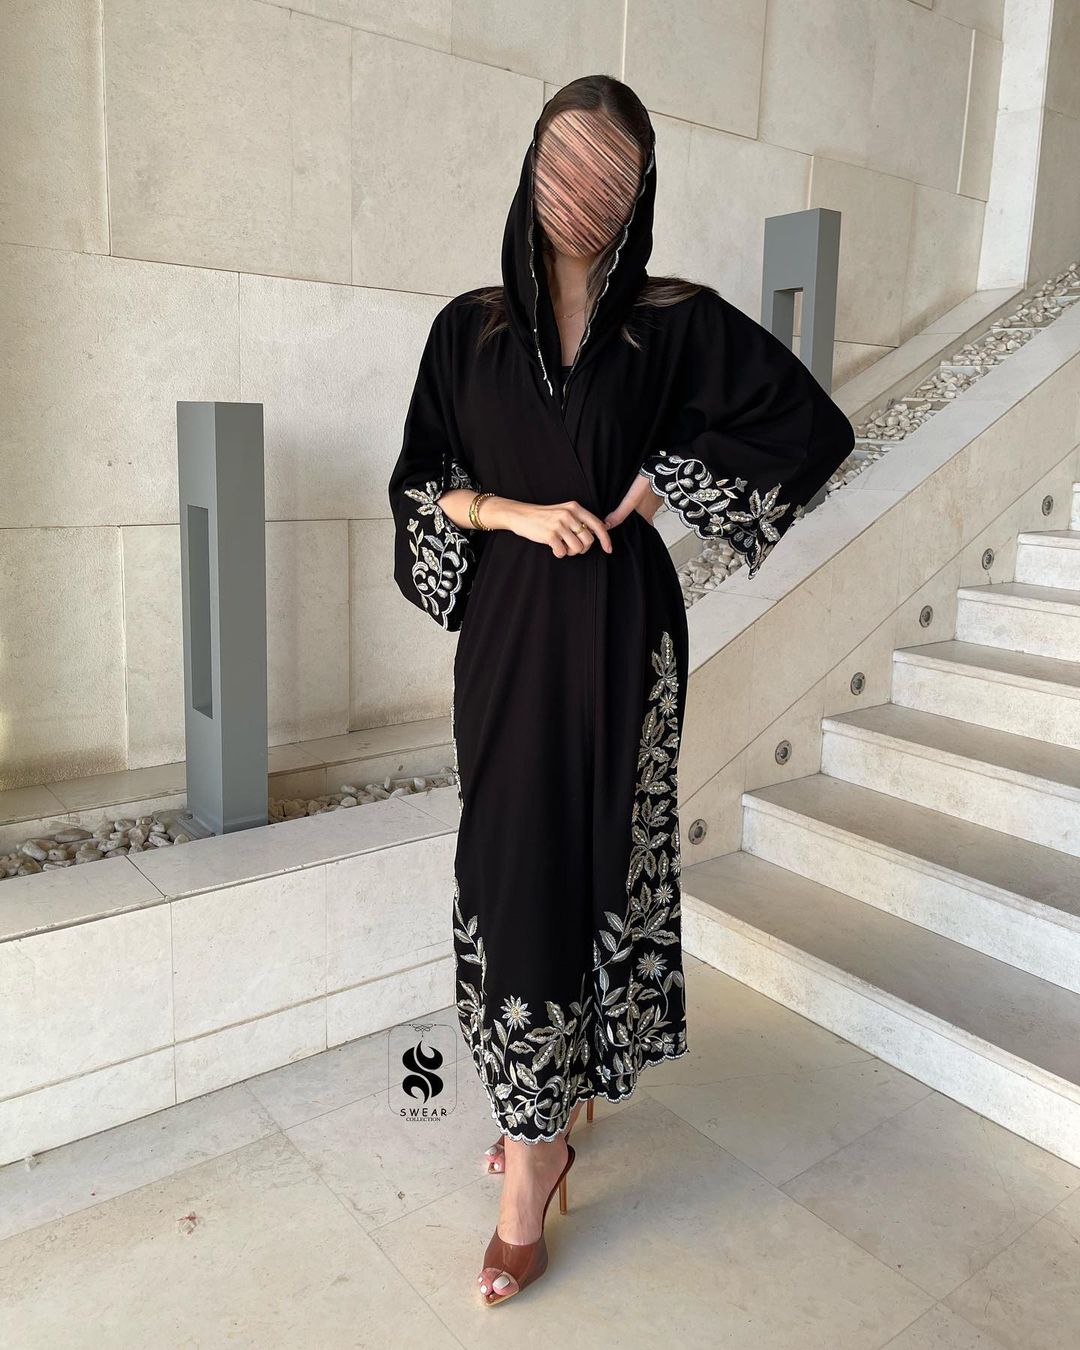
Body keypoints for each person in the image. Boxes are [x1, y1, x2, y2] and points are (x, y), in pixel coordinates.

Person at [387, 75, 855, 1307]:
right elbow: (421, 481)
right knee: (508, 870)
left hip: (621, 636)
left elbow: (809, 429)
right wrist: (509, 511)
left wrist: (656, 484)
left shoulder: (671, 322)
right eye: (566, 158)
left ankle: (536, 1146)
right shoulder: (468, 329)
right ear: (531, 160)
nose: (582, 189)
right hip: (507, 636)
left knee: (595, 861)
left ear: (640, 191)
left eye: (611, 172)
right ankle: (541, 1113)